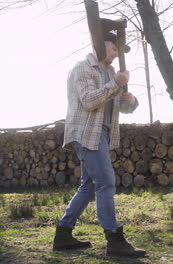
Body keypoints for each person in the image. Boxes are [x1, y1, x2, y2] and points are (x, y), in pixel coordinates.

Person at [52, 31, 146, 257]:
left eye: (117, 50)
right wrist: (115, 84)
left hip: (102, 133)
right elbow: (89, 101)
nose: (115, 54)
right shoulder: (82, 69)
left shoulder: (111, 72)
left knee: (89, 186)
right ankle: (114, 240)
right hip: (86, 133)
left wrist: (130, 101)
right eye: (113, 48)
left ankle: (63, 235)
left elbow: (118, 107)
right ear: (100, 45)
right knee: (105, 182)